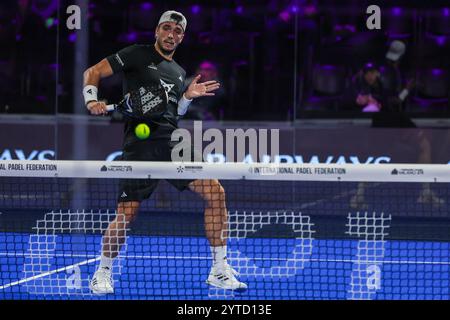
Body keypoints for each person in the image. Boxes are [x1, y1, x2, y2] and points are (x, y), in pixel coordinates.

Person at [82, 10, 247, 294]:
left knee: (216, 193)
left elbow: (170, 114)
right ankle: (102, 272)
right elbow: (92, 72)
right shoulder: (135, 54)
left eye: (178, 31)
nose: (172, 34)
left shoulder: (179, 72)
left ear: (182, 37)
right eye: (167, 28)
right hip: (139, 144)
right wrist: (91, 100)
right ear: (157, 30)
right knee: (126, 214)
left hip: (173, 142)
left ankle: (219, 270)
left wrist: (185, 98)